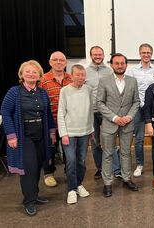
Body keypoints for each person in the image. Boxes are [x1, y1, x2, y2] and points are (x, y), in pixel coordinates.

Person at [1, 60, 56, 216]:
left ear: (39, 75)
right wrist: (11, 135)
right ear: (21, 74)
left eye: (34, 72)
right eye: (28, 71)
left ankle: (35, 194)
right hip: (24, 136)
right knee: (28, 168)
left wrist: (51, 132)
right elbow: (5, 112)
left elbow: (48, 113)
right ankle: (29, 201)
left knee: (38, 164)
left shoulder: (42, 92)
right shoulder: (14, 92)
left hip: (41, 134)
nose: (31, 74)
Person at [96, 53, 140, 197]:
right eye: (117, 63)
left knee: (126, 152)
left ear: (126, 65)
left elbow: (136, 102)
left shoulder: (133, 81)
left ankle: (127, 178)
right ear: (112, 65)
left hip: (127, 124)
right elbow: (100, 103)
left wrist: (128, 116)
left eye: (122, 63)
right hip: (110, 123)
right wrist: (114, 117)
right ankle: (107, 182)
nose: (120, 66)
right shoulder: (104, 81)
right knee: (108, 153)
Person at [57, 64, 94, 204]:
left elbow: (90, 111)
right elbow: (61, 113)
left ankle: (79, 184)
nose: (80, 77)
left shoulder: (88, 90)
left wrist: (91, 130)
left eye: (83, 75)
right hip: (69, 133)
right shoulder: (65, 91)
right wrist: (64, 134)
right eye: (77, 75)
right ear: (71, 76)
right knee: (71, 161)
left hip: (84, 132)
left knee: (81, 161)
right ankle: (71, 189)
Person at [85, 46, 121, 179]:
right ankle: (100, 168)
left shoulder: (110, 71)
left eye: (100, 54)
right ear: (91, 56)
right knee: (95, 144)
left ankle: (117, 170)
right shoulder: (85, 72)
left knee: (111, 141)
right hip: (92, 112)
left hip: (107, 112)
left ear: (103, 55)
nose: (98, 57)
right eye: (95, 54)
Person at [39, 51, 72, 187]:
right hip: (50, 123)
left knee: (68, 150)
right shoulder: (42, 80)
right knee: (50, 149)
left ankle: (68, 172)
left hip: (69, 123)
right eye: (55, 60)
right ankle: (49, 173)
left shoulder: (71, 79)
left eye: (61, 60)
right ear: (50, 62)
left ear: (65, 63)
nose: (59, 62)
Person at [126, 43, 154, 177]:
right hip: (138, 107)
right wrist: (141, 103)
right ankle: (140, 164)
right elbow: (130, 89)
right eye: (144, 52)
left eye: (148, 53)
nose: (146, 55)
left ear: (151, 54)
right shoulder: (132, 71)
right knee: (138, 139)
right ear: (140, 54)